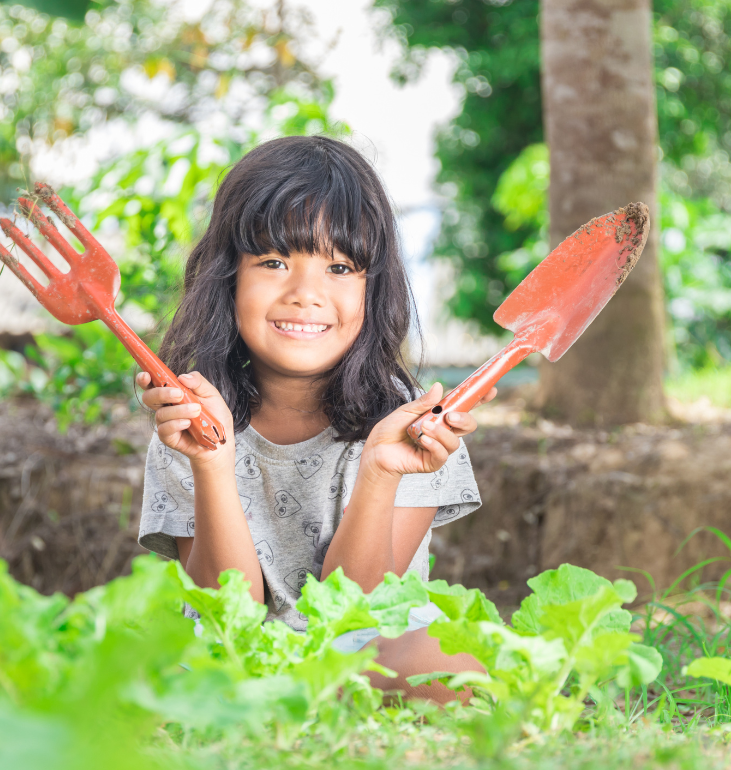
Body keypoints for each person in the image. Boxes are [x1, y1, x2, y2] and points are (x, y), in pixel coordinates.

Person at [135, 135, 494, 704]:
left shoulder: (412, 423)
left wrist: (380, 472)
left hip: (364, 648)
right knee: (137, 673)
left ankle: (301, 701)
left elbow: (360, 611)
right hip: (237, 657)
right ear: (228, 278)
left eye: (340, 267)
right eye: (274, 262)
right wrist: (211, 465)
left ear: (374, 289)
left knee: (461, 671)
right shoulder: (189, 418)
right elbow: (227, 611)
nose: (306, 294)